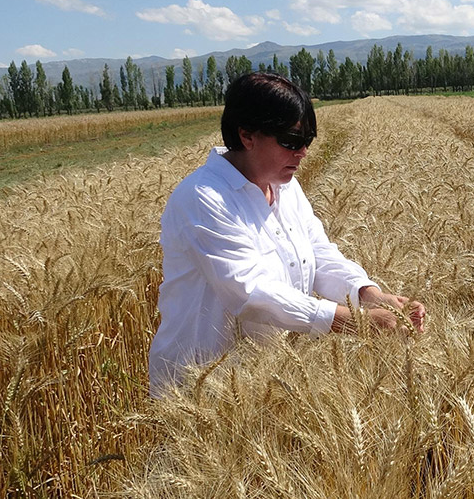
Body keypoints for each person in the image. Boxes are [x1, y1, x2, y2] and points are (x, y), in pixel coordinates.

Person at [149, 72, 425, 396]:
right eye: (291, 141)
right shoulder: (203, 198)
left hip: (268, 381)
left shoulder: (285, 187)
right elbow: (251, 294)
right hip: (203, 388)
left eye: (307, 140)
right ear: (247, 135)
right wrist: (356, 322)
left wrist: (369, 295)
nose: (303, 152)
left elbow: (319, 253)